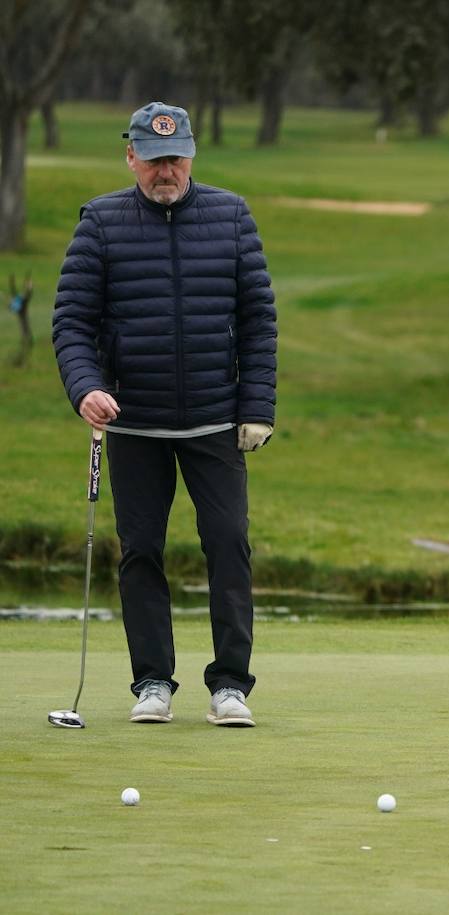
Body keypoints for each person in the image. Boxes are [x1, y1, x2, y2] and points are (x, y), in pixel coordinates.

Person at [52, 102, 277, 728]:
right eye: (153, 161)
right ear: (132, 157)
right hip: (135, 422)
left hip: (213, 420)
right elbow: (72, 322)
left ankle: (230, 685)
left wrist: (256, 405)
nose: (165, 171)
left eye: (175, 158)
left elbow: (259, 318)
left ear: (192, 154)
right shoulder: (100, 222)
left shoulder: (231, 216)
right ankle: (153, 681)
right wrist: (85, 389)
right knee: (141, 551)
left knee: (228, 544)